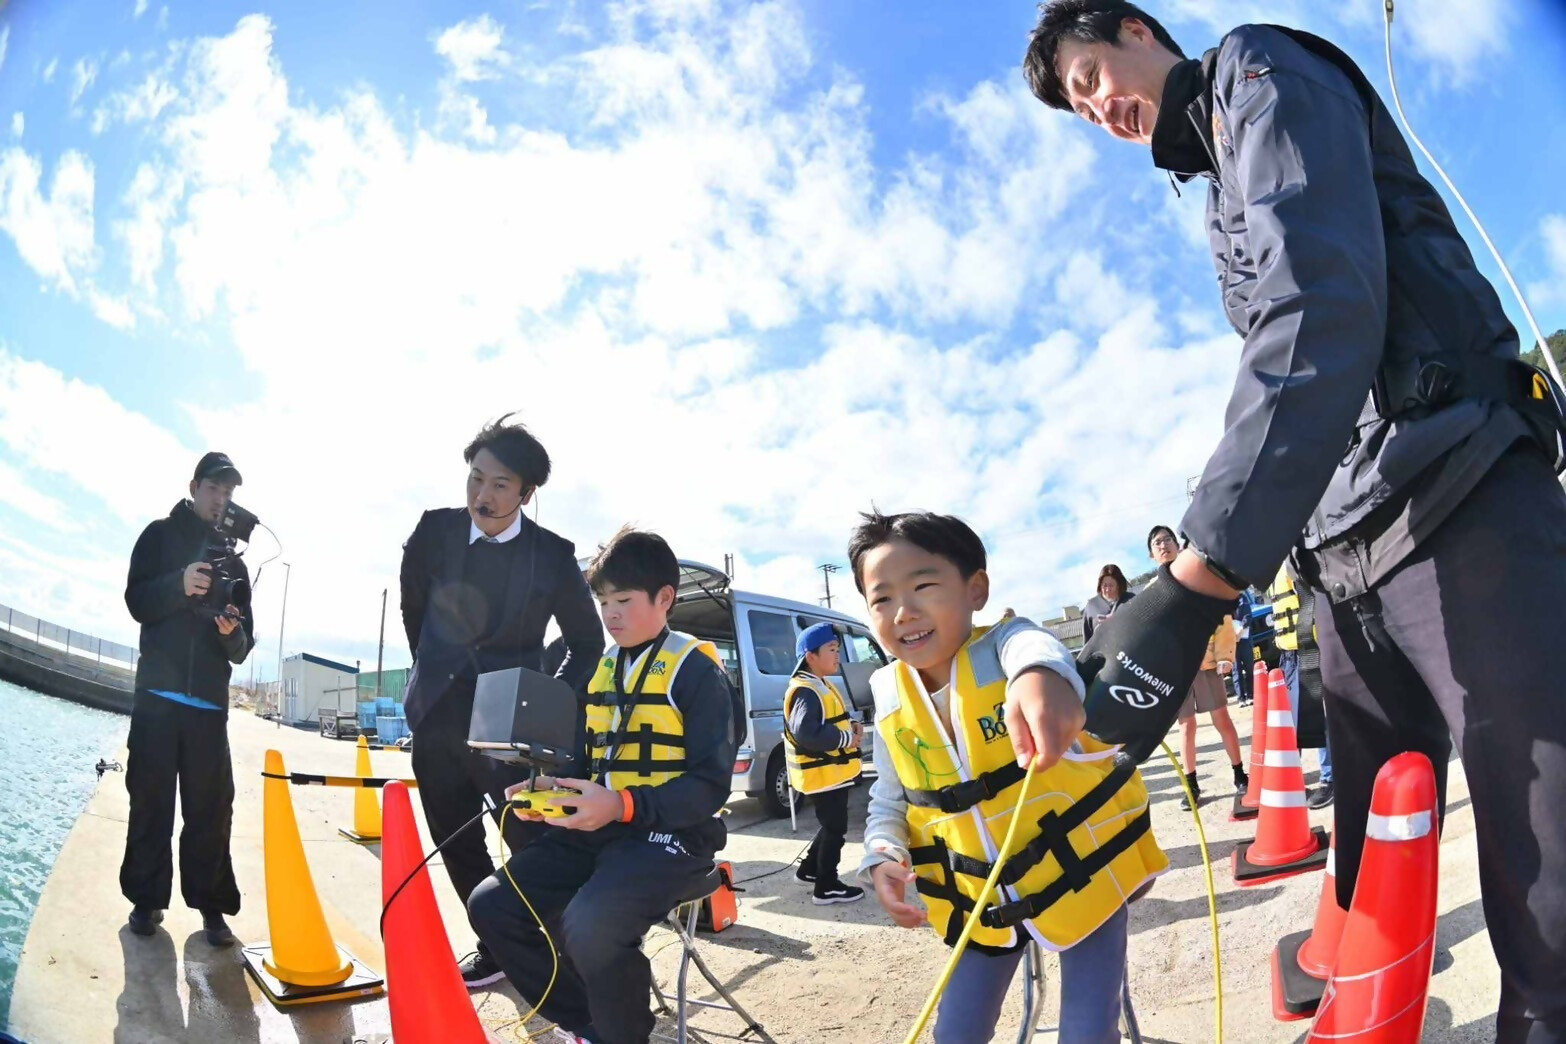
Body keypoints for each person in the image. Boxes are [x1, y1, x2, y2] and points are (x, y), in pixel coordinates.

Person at [1020, 4, 1566, 1036]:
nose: (1097, 110)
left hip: (1459, 487)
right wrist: (1289, 548)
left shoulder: (1262, 72)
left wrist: (1200, 574)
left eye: (1091, 76)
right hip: (1346, 543)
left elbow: (1320, 302)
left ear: (1137, 30)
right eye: (1078, 108)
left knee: (1544, 840)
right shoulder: (1215, 182)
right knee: (1368, 841)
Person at [851, 511, 1167, 1044]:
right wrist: (882, 853)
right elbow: (889, 800)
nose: (902, 612)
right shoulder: (887, 700)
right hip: (983, 902)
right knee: (954, 1033)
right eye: (881, 599)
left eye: (923, 586)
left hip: (1082, 882)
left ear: (976, 589)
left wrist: (1042, 678)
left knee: (1088, 1033)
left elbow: (1035, 650)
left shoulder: (1008, 646)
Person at [467, 527, 737, 1044]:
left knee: (591, 923)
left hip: (674, 837)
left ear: (664, 599)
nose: (610, 613)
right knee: (492, 905)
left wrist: (620, 805)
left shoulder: (696, 670)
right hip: (603, 832)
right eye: (602, 601)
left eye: (624, 600)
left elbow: (711, 786)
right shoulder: (603, 668)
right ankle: (590, 1023)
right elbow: (594, 764)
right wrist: (552, 791)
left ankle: (625, 1034)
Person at [399, 414, 604, 988]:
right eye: (475, 478)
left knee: (529, 834)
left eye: (499, 485)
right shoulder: (433, 532)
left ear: (526, 493)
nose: (482, 496)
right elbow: (414, 610)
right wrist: (433, 670)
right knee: (456, 838)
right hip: (437, 716)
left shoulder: (553, 555)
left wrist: (549, 702)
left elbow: (587, 642)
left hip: (511, 724)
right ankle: (493, 945)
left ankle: (546, 940)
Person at [120, 452, 255, 947]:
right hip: (156, 699)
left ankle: (213, 908)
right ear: (195, 486)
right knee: (150, 803)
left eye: (228, 493)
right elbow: (137, 601)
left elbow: (243, 649)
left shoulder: (237, 563)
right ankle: (145, 899)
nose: (221, 500)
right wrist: (179, 585)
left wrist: (229, 632)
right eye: (214, 489)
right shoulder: (158, 536)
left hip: (207, 710)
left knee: (211, 810)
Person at [1148, 525, 1247, 811]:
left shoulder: (1198, 577)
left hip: (1205, 662)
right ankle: (1190, 785)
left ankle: (1240, 773)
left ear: (1178, 545)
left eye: (1167, 539)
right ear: (1152, 554)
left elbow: (1222, 616)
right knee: (1186, 727)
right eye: (1157, 543)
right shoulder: (1151, 592)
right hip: (1175, 671)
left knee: (1222, 719)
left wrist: (1226, 654)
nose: (1163, 545)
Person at [783, 621, 865, 904]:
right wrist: (846, 739)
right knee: (835, 828)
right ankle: (826, 886)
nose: (837, 655)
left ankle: (808, 870)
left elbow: (829, 719)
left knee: (830, 824)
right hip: (824, 774)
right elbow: (806, 733)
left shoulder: (819, 684)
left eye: (838, 650)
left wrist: (851, 726)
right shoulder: (806, 689)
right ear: (810, 656)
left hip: (831, 772)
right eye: (832, 649)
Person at [1269, 564, 1334, 809]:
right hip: (1289, 655)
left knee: (1319, 715)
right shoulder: (1273, 571)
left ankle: (1330, 779)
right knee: (1292, 721)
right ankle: (1290, 778)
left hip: (1309, 651)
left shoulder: (1294, 563)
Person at [1080, 563, 1134, 643]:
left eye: (1111, 585)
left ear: (1118, 585)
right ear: (1100, 585)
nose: (1107, 589)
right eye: (1104, 586)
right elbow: (1087, 642)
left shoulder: (1131, 600)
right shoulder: (1091, 606)